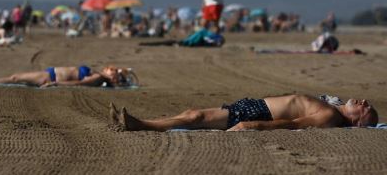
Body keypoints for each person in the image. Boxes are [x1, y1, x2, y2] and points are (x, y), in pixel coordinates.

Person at [110, 94, 378, 131]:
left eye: (366, 108)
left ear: (358, 122)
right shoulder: (334, 105)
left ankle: (140, 124)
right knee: (193, 113)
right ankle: (144, 122)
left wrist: (256, 126)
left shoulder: (331, 117)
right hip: (255, 105)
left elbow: (295, 124)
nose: (364, 101)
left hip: (258, 114)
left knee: (196, 118)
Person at [0, 65, 136, 88]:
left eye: (113, 70)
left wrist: (55, 84)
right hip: (51, 73)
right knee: (16, 77)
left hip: (51, 77)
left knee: (15, 78)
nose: (110, 68)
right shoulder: (97, 74)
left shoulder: (98, 78)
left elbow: (78, 83)